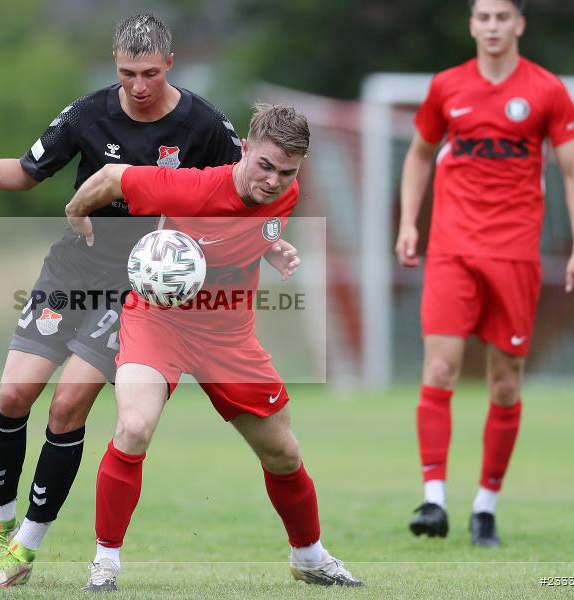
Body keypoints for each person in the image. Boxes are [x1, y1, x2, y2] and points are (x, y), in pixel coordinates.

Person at [0, 14, 297, 588]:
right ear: (114, 63)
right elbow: (27, 171)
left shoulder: (205, 124)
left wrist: (271, 245)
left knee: (66, 408)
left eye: (151, 74)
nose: (139, 85)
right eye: (128, 73)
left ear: (170, 65)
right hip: (74, 266)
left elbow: (246, 193)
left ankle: (24, 551)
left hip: (140, 286)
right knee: (13, 395)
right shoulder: (88, 113)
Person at [66, 103, 362, 591]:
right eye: (264, 165)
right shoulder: (192, 185)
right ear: (244, 149)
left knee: (284, 454)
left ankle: (310, 558)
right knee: (134, 426)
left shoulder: (285, 195)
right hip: (159, 323)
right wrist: (76, 212)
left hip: (229, 337)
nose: (272, 180)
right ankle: (105, 564)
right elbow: (114, 175)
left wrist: (273, 245)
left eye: (286, 172)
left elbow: (250, 228)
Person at [395, 0, 574, 546]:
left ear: (518, 24)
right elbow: (418, 155)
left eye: (501, 17)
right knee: (440, 367)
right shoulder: (447, 87)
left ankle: (485, 506)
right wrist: (410, 222)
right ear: (471, 24)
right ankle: (433, 500)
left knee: (505, 383)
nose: (491, 27)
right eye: (482, 17)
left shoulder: (547, 91)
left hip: (514, 254)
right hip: (452, 249)